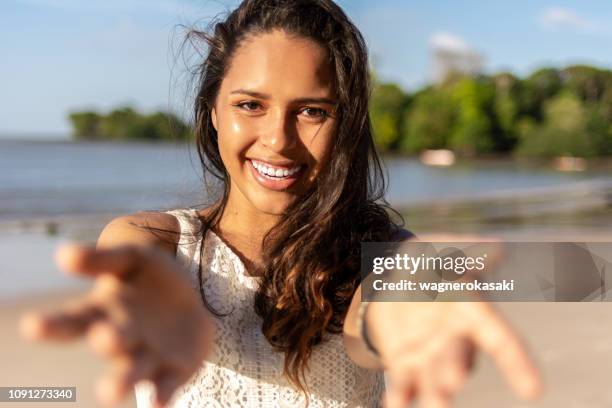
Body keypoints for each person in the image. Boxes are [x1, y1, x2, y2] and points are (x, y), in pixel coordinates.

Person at [18, 0, 543, 407]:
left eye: (312, 111)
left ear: (347, 125)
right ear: (213, 113)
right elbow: (130, 272)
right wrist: (141, 309)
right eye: (251, 105)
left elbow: (389, 307)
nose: (279, 140)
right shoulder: (157, 242)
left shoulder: (381, 250)